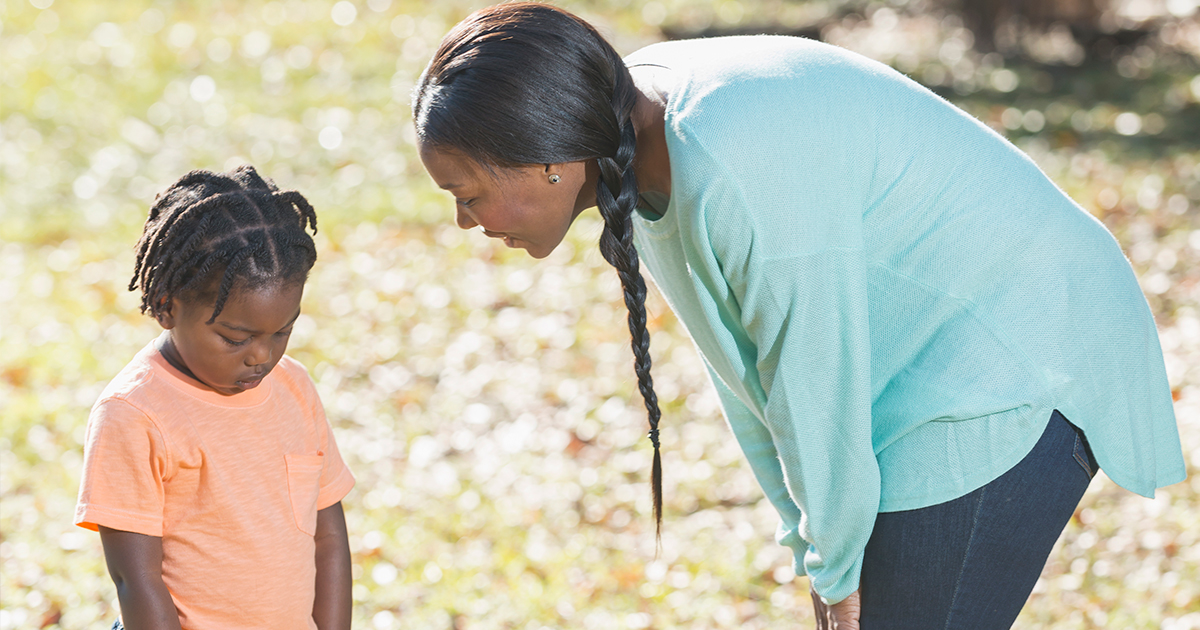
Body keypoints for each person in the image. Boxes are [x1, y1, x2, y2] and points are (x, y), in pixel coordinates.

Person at [411, 4, 1187, 629]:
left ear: (547, 156)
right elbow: (756, 384)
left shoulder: (725, 159)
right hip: (914, 366)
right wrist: (816, 552)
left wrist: (836, 565)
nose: (465, 223)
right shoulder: (626, 141)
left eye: (467, 194)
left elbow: (817, 385)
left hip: (1011, 347)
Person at [74, 165, 355, 630]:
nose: (262, 357)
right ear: (166, 306)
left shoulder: (294, 387)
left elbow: (329, 536)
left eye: (283, 331)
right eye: (235, 337)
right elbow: (136, 580)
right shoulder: (133, 414)